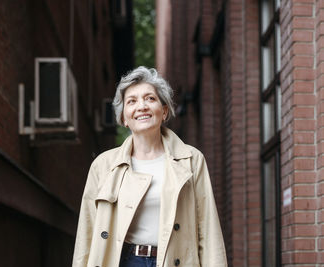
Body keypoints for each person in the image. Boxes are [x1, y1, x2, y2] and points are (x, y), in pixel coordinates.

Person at [72, 66, 227, 267]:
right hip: (126, 261)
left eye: (150, 98)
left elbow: (208, 228)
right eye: (132, 101)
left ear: (164, 112)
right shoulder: (103, 166)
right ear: (124, 118)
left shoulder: (191, 159)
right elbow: (87, 231)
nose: (142, 106)